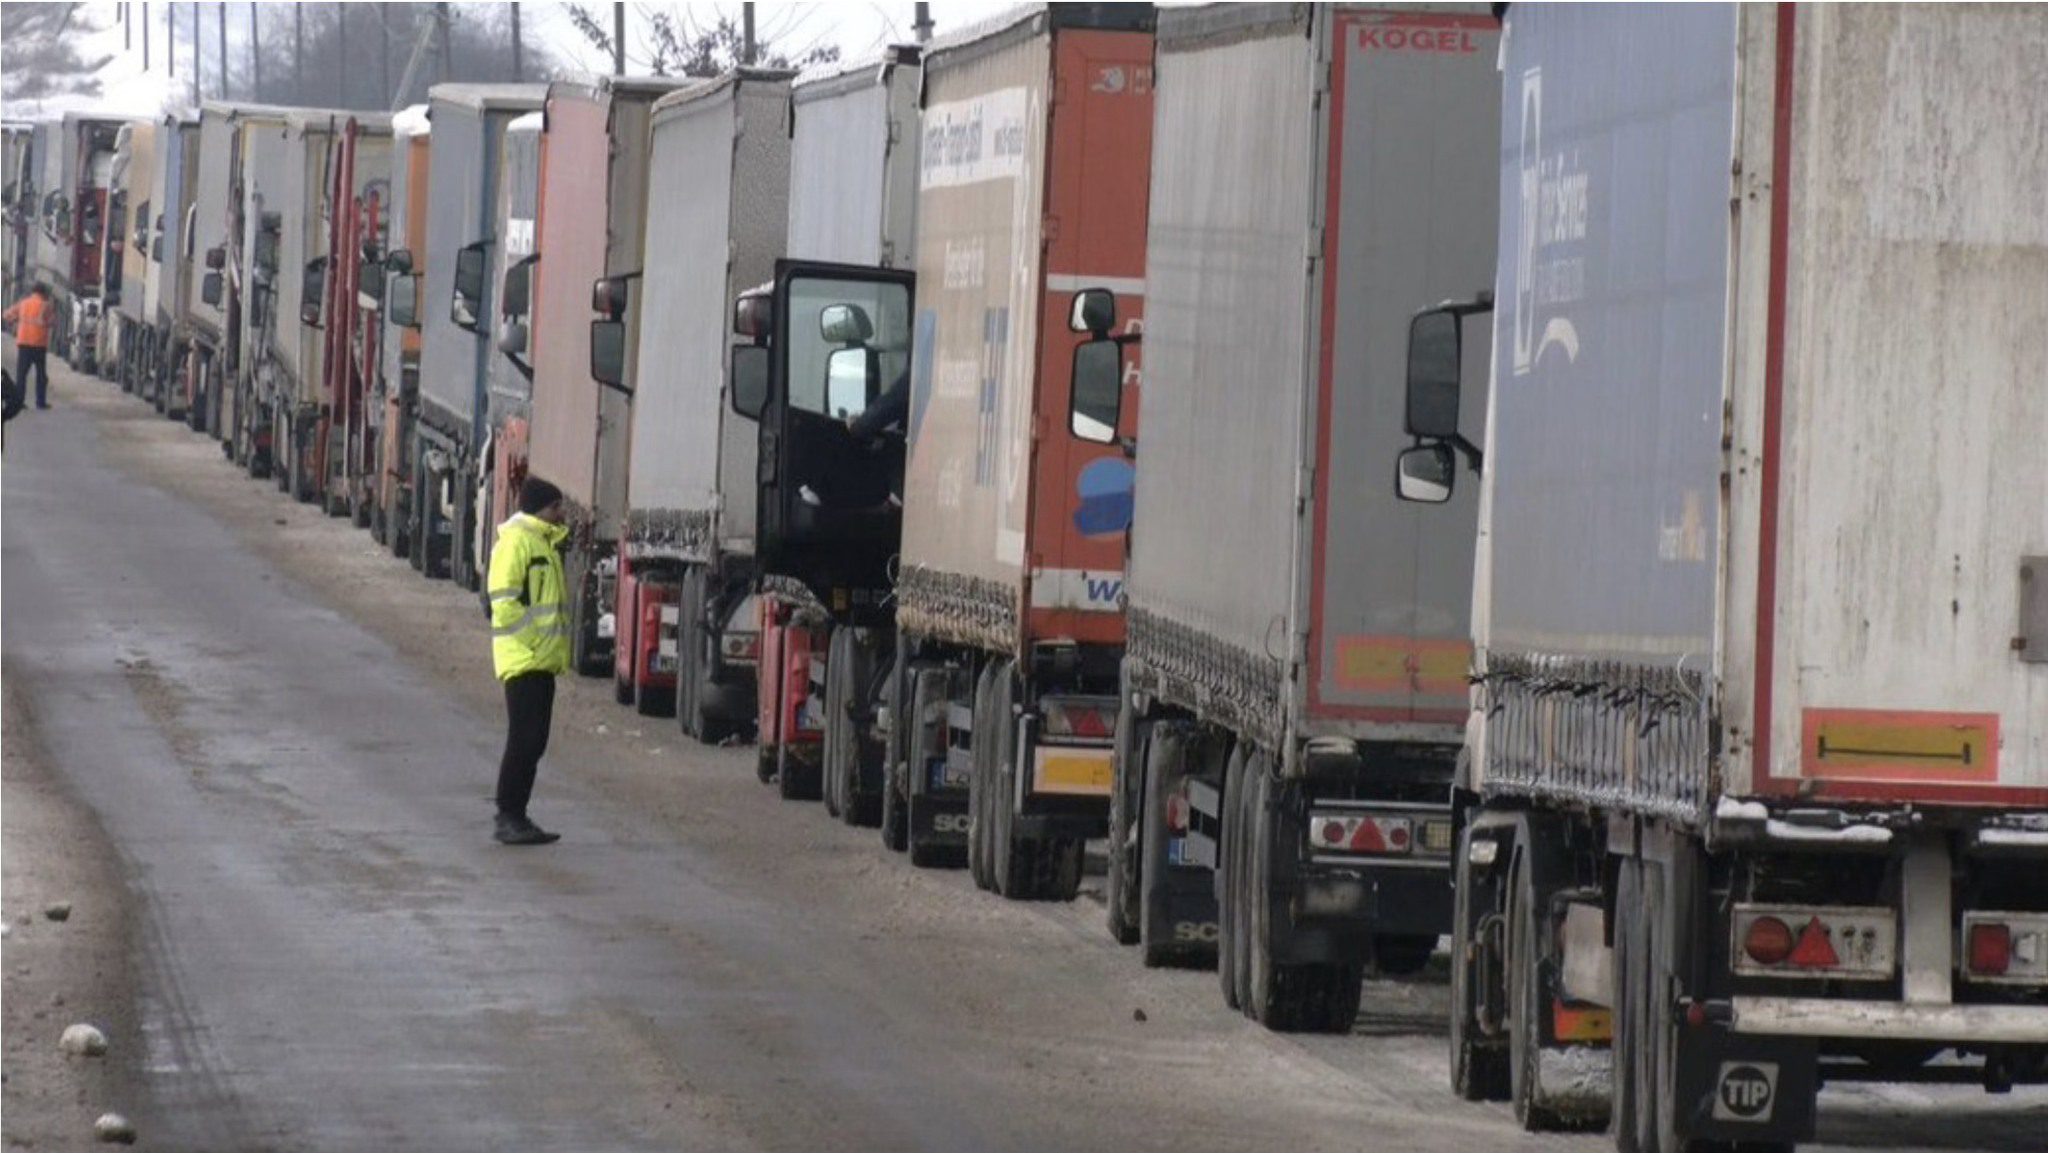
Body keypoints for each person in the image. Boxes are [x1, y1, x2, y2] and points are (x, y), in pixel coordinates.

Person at [486, 476, 572, 845]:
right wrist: (533, 642)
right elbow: (503, 603)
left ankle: (517, 814)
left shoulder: (542, 543)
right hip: (524, 659)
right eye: (556, 508)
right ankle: (508, 815)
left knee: (534, 741)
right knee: (524, 738)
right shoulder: (519, 543)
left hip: (540, 660)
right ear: (542, 509)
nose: (561, 515)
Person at [3, 282, 54, 409]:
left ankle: (19, 402)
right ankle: (40, 402)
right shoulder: (46, 306)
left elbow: (6, 316)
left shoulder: (23, 303)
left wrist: (14, 321)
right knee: (41, 375)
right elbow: (53, 322)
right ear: (43, 293)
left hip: (24, 343)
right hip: (39, 345)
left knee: (22, 375)